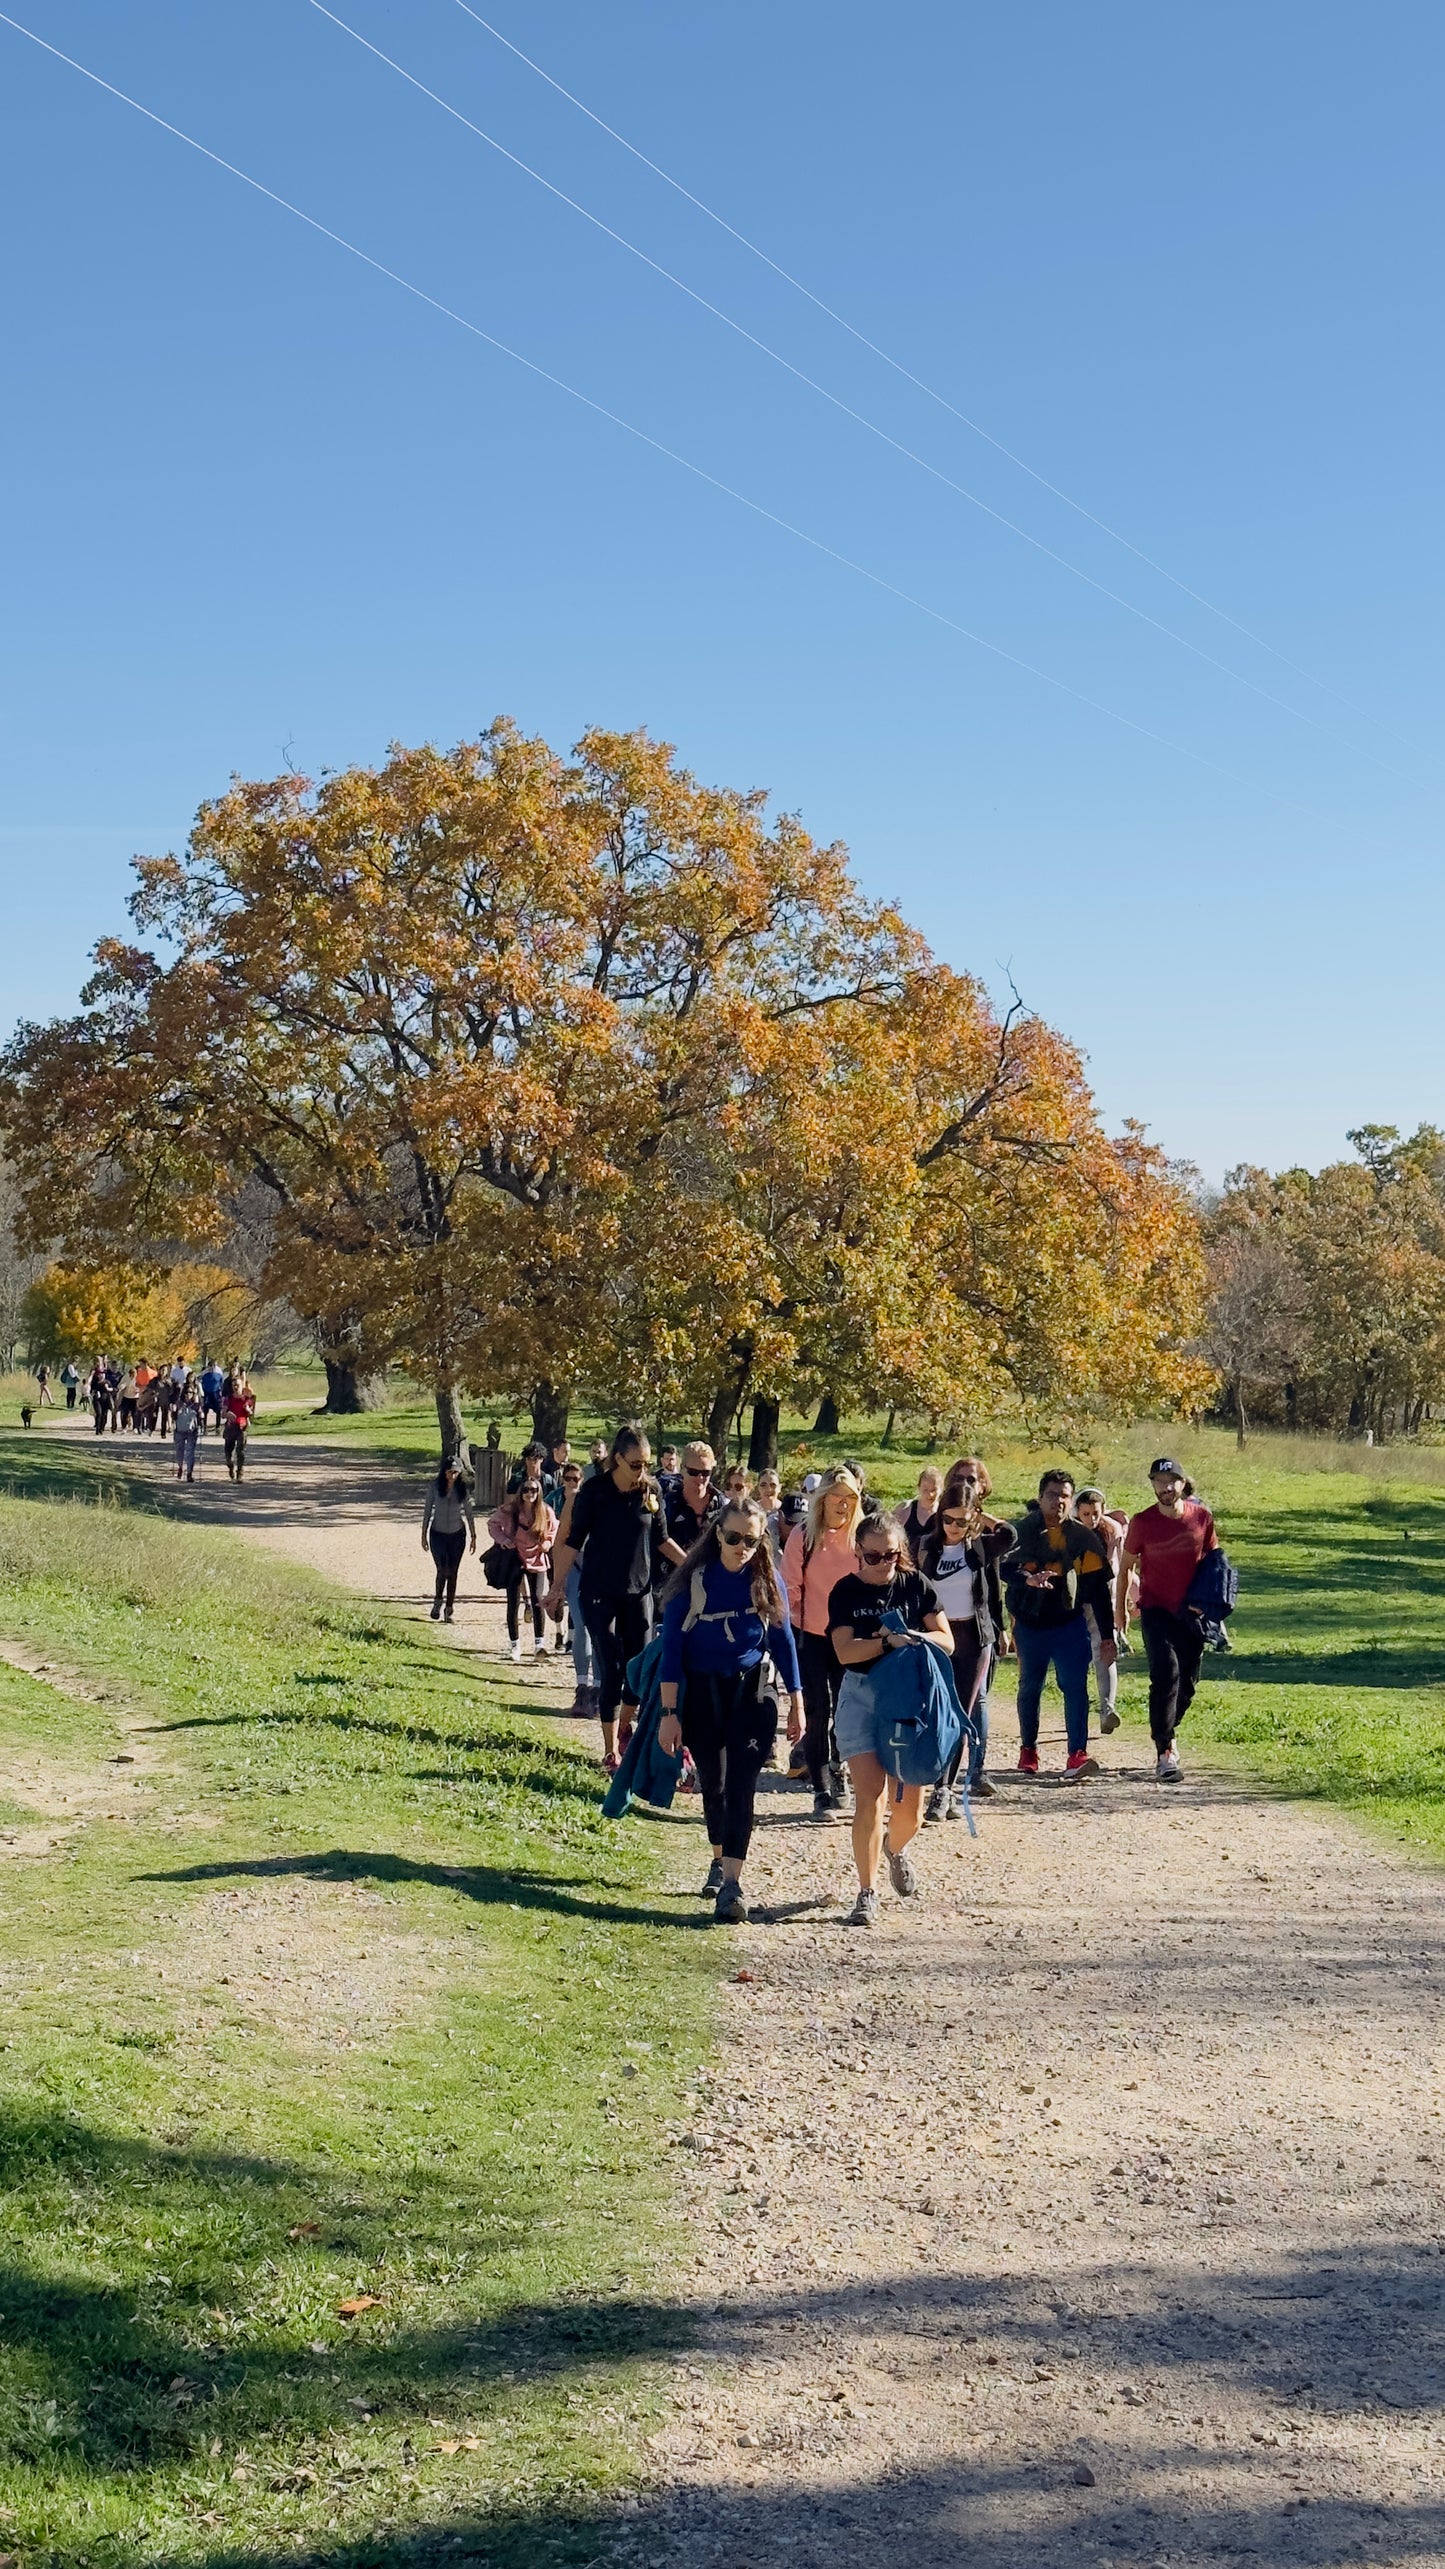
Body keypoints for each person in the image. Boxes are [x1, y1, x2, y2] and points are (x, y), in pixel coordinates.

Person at [658, 1497, 804, 1924]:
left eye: (751, 1540)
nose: (742, 1547)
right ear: (717, 1533)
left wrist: (798, 1702)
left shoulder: (768, 1581)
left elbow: (784, 1642)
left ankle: (733, 1884)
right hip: (703, 1693)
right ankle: (718, 1859)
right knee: (715, 1783)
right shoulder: (693, 1583)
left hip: (753, 1694)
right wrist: (670, 1713)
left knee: (742, 1784)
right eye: (733, 1537)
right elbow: (672, 1651)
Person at [828, 1512, 954, 1927]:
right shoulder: (845, 1591)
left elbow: (947, 1641)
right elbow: (845, 1652)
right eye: (873, 1556)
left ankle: (895, 1849)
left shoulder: (915, 1585)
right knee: (871, 1795)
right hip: (862, 1696)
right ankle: (867, 1892)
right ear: (858, 1553)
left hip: (907, 1701)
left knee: (911, 1810)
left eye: (891, 1555)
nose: (883, 1563)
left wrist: (915, 1638)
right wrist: (885, 1641)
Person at [547, 1424, 664, 1772]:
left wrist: (697, 1566)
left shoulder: (650, 1493)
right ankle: (611, 1749)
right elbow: (571, 1541)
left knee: (639, 1671)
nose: (642, 1471)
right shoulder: (594, 1493)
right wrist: (556, 1587)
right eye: (635, 1464)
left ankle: (626, 1728)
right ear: (617, 1459)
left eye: (646, 1464)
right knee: (611, 1668)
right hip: (599, 1592)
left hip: (639, 1593)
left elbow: (662, 1541)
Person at [916, 1463, 1016, 1815]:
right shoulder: (927, 1547)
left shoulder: (979, 1548)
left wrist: (980, 1515)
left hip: (973, 1637)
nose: (955, 1528)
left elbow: (1010, 1536)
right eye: (949, 1519)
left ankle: (944, 1790)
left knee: (961, 1713)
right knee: (933, 1712)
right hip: (937, 1636)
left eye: (962, 1521)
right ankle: (925, 1779)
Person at [1006, 1470, 1116, 1778]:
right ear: (1040, 1497)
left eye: (1064, 1496)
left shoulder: (1082, 1538)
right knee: (1030, 1687)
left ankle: (1077, 1753)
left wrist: (1107, 1636)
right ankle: (1028, 1749)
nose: (1058, 1501)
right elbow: (1004, 1570)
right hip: (1030, 1624)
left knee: (1075, 1687)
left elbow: (1097, 1591)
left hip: (1068, 1623)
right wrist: (1027, 1578)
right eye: (1052, 1495)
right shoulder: (1022, 1532)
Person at [1116, 1459, 1218, 1783]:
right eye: (1159, 1481)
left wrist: (1214, 1604)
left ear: (1182, 1483)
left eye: (1171, 1481)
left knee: (1187, 1683)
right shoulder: (1143, 1522)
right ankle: (1164, 1751)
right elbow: (1126, 1568)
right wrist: (1120, 1609)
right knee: (1166, 1674)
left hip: (1191, 1614)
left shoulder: (1201, 1518)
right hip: (1156, 1610)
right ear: (1152, 1485)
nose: (1165, 1487)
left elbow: (1213, 1562)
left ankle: (1168, 1731)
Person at [781, 1465, 865, 1820]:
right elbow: (788, 1588)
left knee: (846, 1716)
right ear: (822, 1500)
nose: (843, 1506)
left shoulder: (861, 1536)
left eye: (850, 1499)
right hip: (812, 1636)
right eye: (836, 1498)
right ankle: (820, 1788)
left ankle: (839, 1770)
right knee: (818, 1712)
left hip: (851, 1639)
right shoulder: (804, 1536)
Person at [1072, 1488, 1125, 1735]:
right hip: (1076, 1601)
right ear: (1078, 1513)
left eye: (1095, 1513)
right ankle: (1077, 1711)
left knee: (1105, 1649)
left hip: (1104, 1599)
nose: (1091, 1519)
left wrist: (1124, 1601)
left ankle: (1107, 1708)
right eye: (1085, 1514)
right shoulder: (1071, 1532)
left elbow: (1123, 1565)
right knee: (1079, 1656)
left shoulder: (1112, 1531)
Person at [491, 1464, 557, 1660]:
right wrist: (502, 1540)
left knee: (538, 1601)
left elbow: (555, 1528)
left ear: (539, 1492)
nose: (530, 1494)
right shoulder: (510, 1510)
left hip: (537, 1559)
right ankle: (515, 1645)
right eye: (526, 1490)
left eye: (534, 1490)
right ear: (521, 1492)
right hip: (514, 1559)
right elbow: (493, 1524)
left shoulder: (545, 1511)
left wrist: (547, 1542)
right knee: (513, 1602)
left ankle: (539, 1645)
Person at [422, 1459, 476, 1622]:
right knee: (442, 1569)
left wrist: (474, 1535)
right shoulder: (435, 1487)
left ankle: (449, 1608)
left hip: (457, 1535)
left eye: (455, 1472)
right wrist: (423, 1532)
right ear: (444, 1472)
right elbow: (427, 1510)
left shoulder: (462, 1490)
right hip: (438, 1534)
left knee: (453, 1572)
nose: (452, 1476)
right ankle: (438, 1600)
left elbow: (469, 1512)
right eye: (449, 1472)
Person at [660, 1443, 721, 1567]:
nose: (700, 1478)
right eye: (693, 1472)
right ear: (682, 1468)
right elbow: (657, 1539)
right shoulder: (666, 1502)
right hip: (669, 1581)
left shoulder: (723, 1506)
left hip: (709, 1581)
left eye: (705, 1473)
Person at [893, 1467, 942, 1560]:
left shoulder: (945, 1514)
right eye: (925, 1490)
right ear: (918, 1488)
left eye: (934, 1490)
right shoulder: (904, 1509)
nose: (930, 1494)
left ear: (941, 1489)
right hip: (906, 1564)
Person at [222, 1369, 256, 1481]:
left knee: (240, 1451)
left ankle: (239, 1473)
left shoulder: (247, 1399)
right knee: (228, 1451)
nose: (235, 1387)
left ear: (242, 1386)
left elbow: (251, 1413)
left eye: (237, 1385)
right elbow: (223, 1414)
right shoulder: (229, 1399)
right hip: (231, 1427)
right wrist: (228, 1414)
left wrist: (248, 1410)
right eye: (233, 1385)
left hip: (242, 1428)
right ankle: (230, 1465)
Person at [173, 1380, 201, 1481]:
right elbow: (174, 1417)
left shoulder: (196, 1405)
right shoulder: (179, 1403)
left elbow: (200, 1417)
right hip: (179, 1431)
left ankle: (189, 1473)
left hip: (191, 1432)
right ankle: (180, 1467)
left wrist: (201, 1415)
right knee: (179, 1452)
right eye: (186, 1392)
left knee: (190, 1452)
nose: (188, 1395)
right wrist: (174, 1411)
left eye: (190, 1392)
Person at [755, 1467, 783, 1554]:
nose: (768, 1489)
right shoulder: (752, 1510)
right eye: (763, 1485)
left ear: (780, 1487)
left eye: (773, 1485)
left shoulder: (785, 1511)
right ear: (758, 1487)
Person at [200, 1358, 225, 1436]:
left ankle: (217, 1428)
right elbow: (201, 1383)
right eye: (211, 1366)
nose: (212, 1368)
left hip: (216, 1394)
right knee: (205, 1411)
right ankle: (205, 1428)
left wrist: (222, 1393)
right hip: (207, 1394)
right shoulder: (204, 1375)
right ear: (208, 1367)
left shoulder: (219, 1374)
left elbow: (221, 1384)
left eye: (214, 1366)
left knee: (218, 1411)